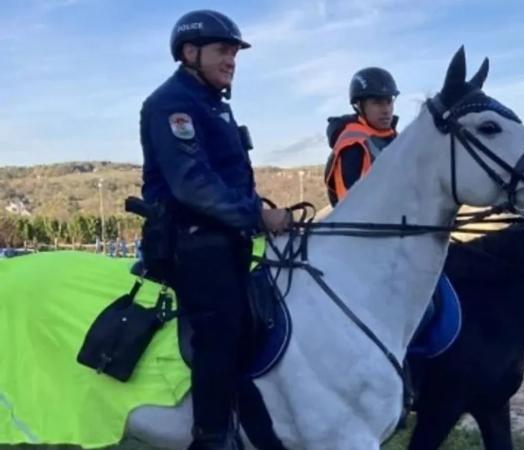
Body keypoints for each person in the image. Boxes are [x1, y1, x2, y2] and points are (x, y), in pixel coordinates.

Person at [139, 10, 291, 450]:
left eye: (234, 52)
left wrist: (254, 212)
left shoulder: (212, 104)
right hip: (193, 244)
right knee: (221, 333)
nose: (231, 60)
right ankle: (210, 438)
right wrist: (258, 217)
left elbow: (229, 179)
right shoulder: (172, 103)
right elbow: (192, 184)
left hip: (228, 241)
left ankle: (258, 434)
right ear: (190, 52)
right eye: (223, 50)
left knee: (251, 331)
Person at [324, 67, 399, 206]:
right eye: (377, 102)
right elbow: (352, 205)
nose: (386, 110)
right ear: (359, 105)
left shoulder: (396, 138)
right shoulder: (353, 145)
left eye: (389, 101)